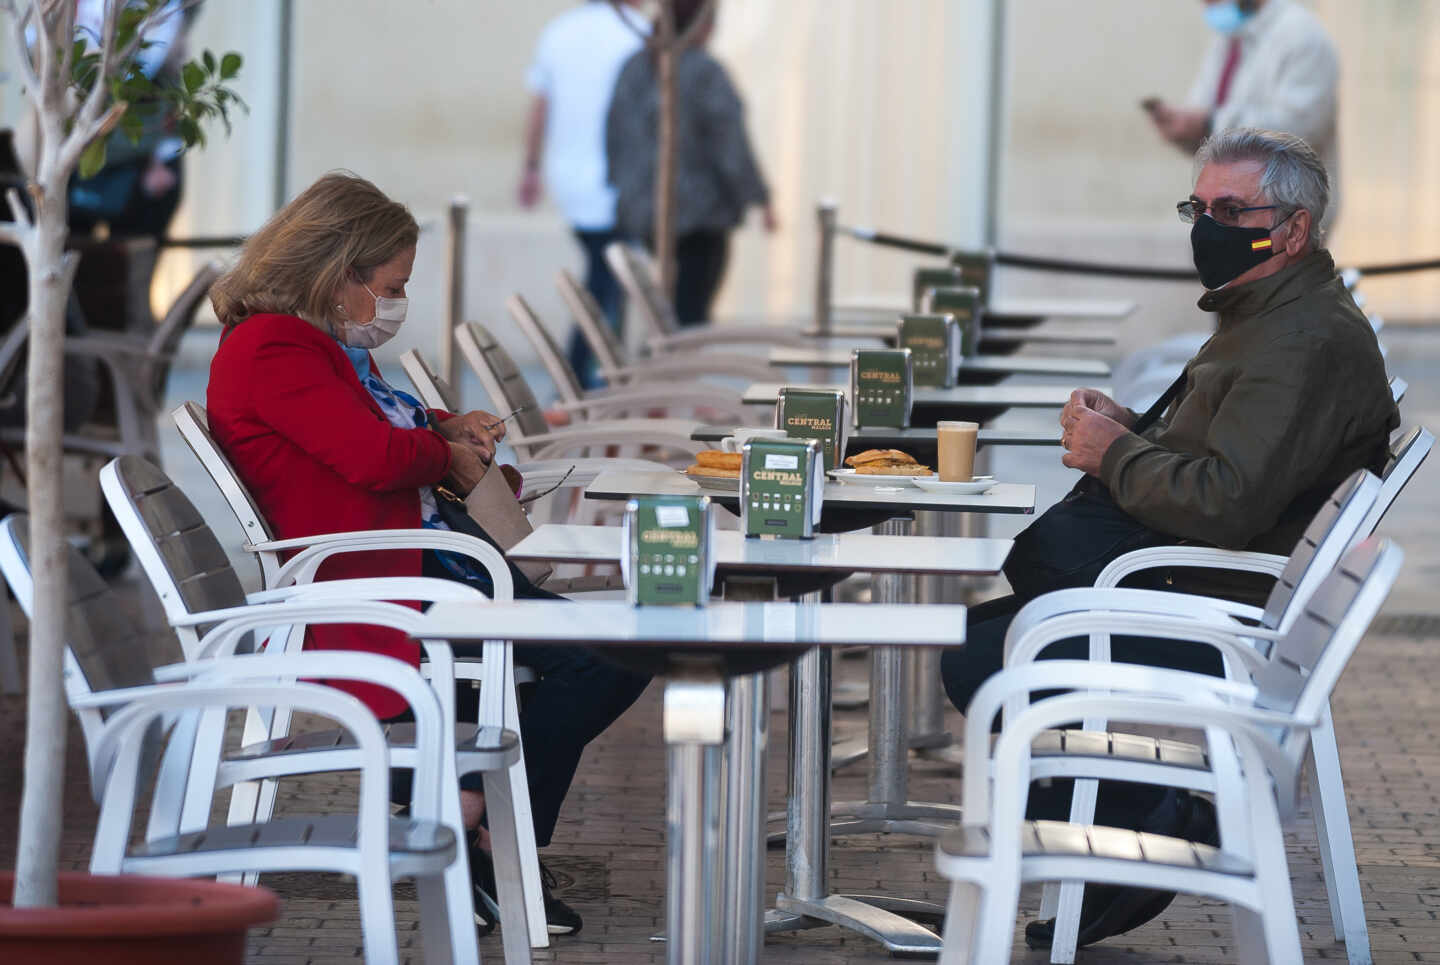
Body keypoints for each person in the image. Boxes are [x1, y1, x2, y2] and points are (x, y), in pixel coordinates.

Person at [941, 128, 1397, 949]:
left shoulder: (1299, 341)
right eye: (1199, 206)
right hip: (1201, 587)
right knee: (982, 641)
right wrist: (1135, 431)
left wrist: (1116, 455)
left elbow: (1226, 500)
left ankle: (1160, 819)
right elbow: (1236, 458)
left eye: (1231, 210)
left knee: (984, 658)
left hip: (1222, 609)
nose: (1207, 226)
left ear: (1292, 229)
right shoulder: (1271, 312)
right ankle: (1134, 833)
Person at [206, 172, 650, 937]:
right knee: (604, 656)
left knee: (619, 649)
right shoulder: (272, 348)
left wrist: (448, 429)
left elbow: (388, 426)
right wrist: (441, 448)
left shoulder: (321, 345)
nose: (395, 302)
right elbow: (377, 455)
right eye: (390, 285)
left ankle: (470, 817)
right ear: (339, 272)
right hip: (384, 583)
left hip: (435, 567)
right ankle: (481, 826)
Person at [605, 0, 775, 327]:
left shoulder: (633, 68)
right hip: (699, 214)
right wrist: (759, 197)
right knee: (689, 313)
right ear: (698, 24)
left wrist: (624, 191)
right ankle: (677, 371)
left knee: (669, 308)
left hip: (645, 213)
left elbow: (613, 137)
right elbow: (730, 145)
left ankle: (669, 365)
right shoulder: (703, 71)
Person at [519, 0, 648, 388]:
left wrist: (531, 168)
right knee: (606, 283)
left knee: (607, 278)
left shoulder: (560, 30)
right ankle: (578, 381)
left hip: (571, 180)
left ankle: (591, 379)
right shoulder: (638, 31)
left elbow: (540, 106)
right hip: (623, 182)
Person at [1145, 0, 1341, 226]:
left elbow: (1299, 130)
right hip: (1227, 211)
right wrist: (1184, 126)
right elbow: (1204, 109)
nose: (1206, 4)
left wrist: (1210, 124)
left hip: (1283, 218)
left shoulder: (1302, 36)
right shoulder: (1229, 37)